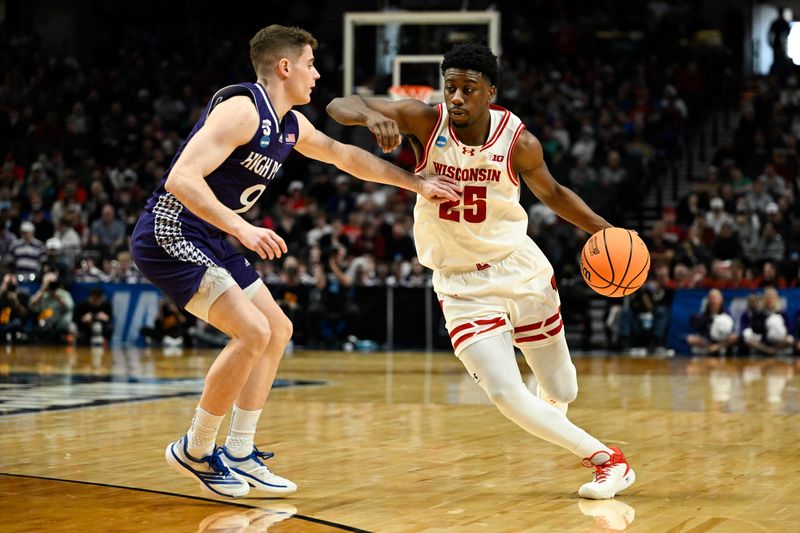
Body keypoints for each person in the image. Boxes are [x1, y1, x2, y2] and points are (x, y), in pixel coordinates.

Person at [129, 24, 459, 499]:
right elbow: (181, 178)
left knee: (277, 331)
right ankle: (196, 448)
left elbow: (345, 156)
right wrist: (241, 228)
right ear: (285, 67)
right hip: (170, 229)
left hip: (209, 233)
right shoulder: (242, 110)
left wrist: (417, 183)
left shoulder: (290, 124)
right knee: (252, 333)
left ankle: (240, 450)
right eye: (310, 64)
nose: (317, 74)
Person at [327, 42, 635, 499]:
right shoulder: (423, 119)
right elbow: (338, 104)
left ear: (489, 92)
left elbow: (551, 192)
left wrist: (607, 232)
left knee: (561, 386)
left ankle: (552, 417)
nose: (456, 98)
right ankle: (608, 461)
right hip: (461, 286)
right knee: (507, 393)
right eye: (450, 87)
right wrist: (370, 116)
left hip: (520, 269)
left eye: (468, 89)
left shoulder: (519, 141)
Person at [686, 288, 738, 356]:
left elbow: (732, 330)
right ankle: (710, 348)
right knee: (690, 338)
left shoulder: (727, 314)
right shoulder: (704, 315)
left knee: (734, 337)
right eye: (711, 298)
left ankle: (717, 348)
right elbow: (698, 327)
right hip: (708, 341)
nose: (713, 300)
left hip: (722, 341)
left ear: (721, 299)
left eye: (715, 298)